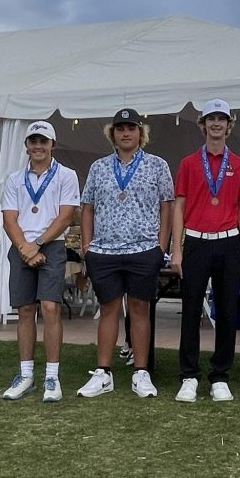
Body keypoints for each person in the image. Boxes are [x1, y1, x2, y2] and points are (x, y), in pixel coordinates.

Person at [76, 109, 172, 399]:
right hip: (104, 250)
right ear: (112, 134)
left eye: (131, 128)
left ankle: (140, 373)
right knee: (108, 309)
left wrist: (162, 245)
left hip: (143, 248)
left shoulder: (157, 165)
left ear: (141, 134)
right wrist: (87, 245)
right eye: (120, 128)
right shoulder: (99, 167)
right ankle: (103, 372)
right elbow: (88, 206)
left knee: (140, 308)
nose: (126, 133)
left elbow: (167, 205)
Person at [169, 99, 240, 403]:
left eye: (222, 119)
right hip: (196, 242)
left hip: (229, 242)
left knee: (227, 310)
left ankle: (220, 376)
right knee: (190, 310)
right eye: (211, 119)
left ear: (229, 125)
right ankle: (189, 376)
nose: (216, 124)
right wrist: (176, 250)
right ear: (203, 124)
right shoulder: (189, 163)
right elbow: (178, 207)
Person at [0, 121, 80, 402]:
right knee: (24, 311)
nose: (38, 146)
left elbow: (66, 216)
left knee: (49, 308)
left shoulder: (66, 175)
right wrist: (25, 247)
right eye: (33, 141)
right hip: (22, 247)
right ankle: (25, 375)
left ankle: (52, 376)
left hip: (52, 246)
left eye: (43, 141)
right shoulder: (13, 179)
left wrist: (37, 244)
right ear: (26, 146)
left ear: (52, 145)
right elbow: (9, 219)